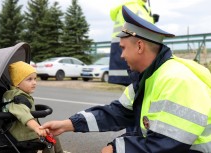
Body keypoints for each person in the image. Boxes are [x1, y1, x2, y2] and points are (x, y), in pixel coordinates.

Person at [41, 6, 211, 153]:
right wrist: (68, 124)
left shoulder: (176, 79)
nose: (121, 55)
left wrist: (116, 149)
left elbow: (167, 144)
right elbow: (117, 112)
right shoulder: (148, 77)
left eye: (122, 48)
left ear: (139, 46)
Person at [3, 61, 63, 153]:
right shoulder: (18, 98)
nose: (34, 82)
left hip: (22, 132)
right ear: (17, 83)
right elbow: (23, 114)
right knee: (49, 142)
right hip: (22, 136)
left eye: (35, 79)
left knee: (53, 135)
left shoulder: (14, 94)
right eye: (29, 79)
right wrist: (37, 128)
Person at [109, 0, 158, 86]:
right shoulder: (132, 7)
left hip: (132, 49)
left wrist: (152, 20)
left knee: (136, 91)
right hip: (131, 51)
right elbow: (134, 30)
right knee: (135, 88)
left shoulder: (139, 7)